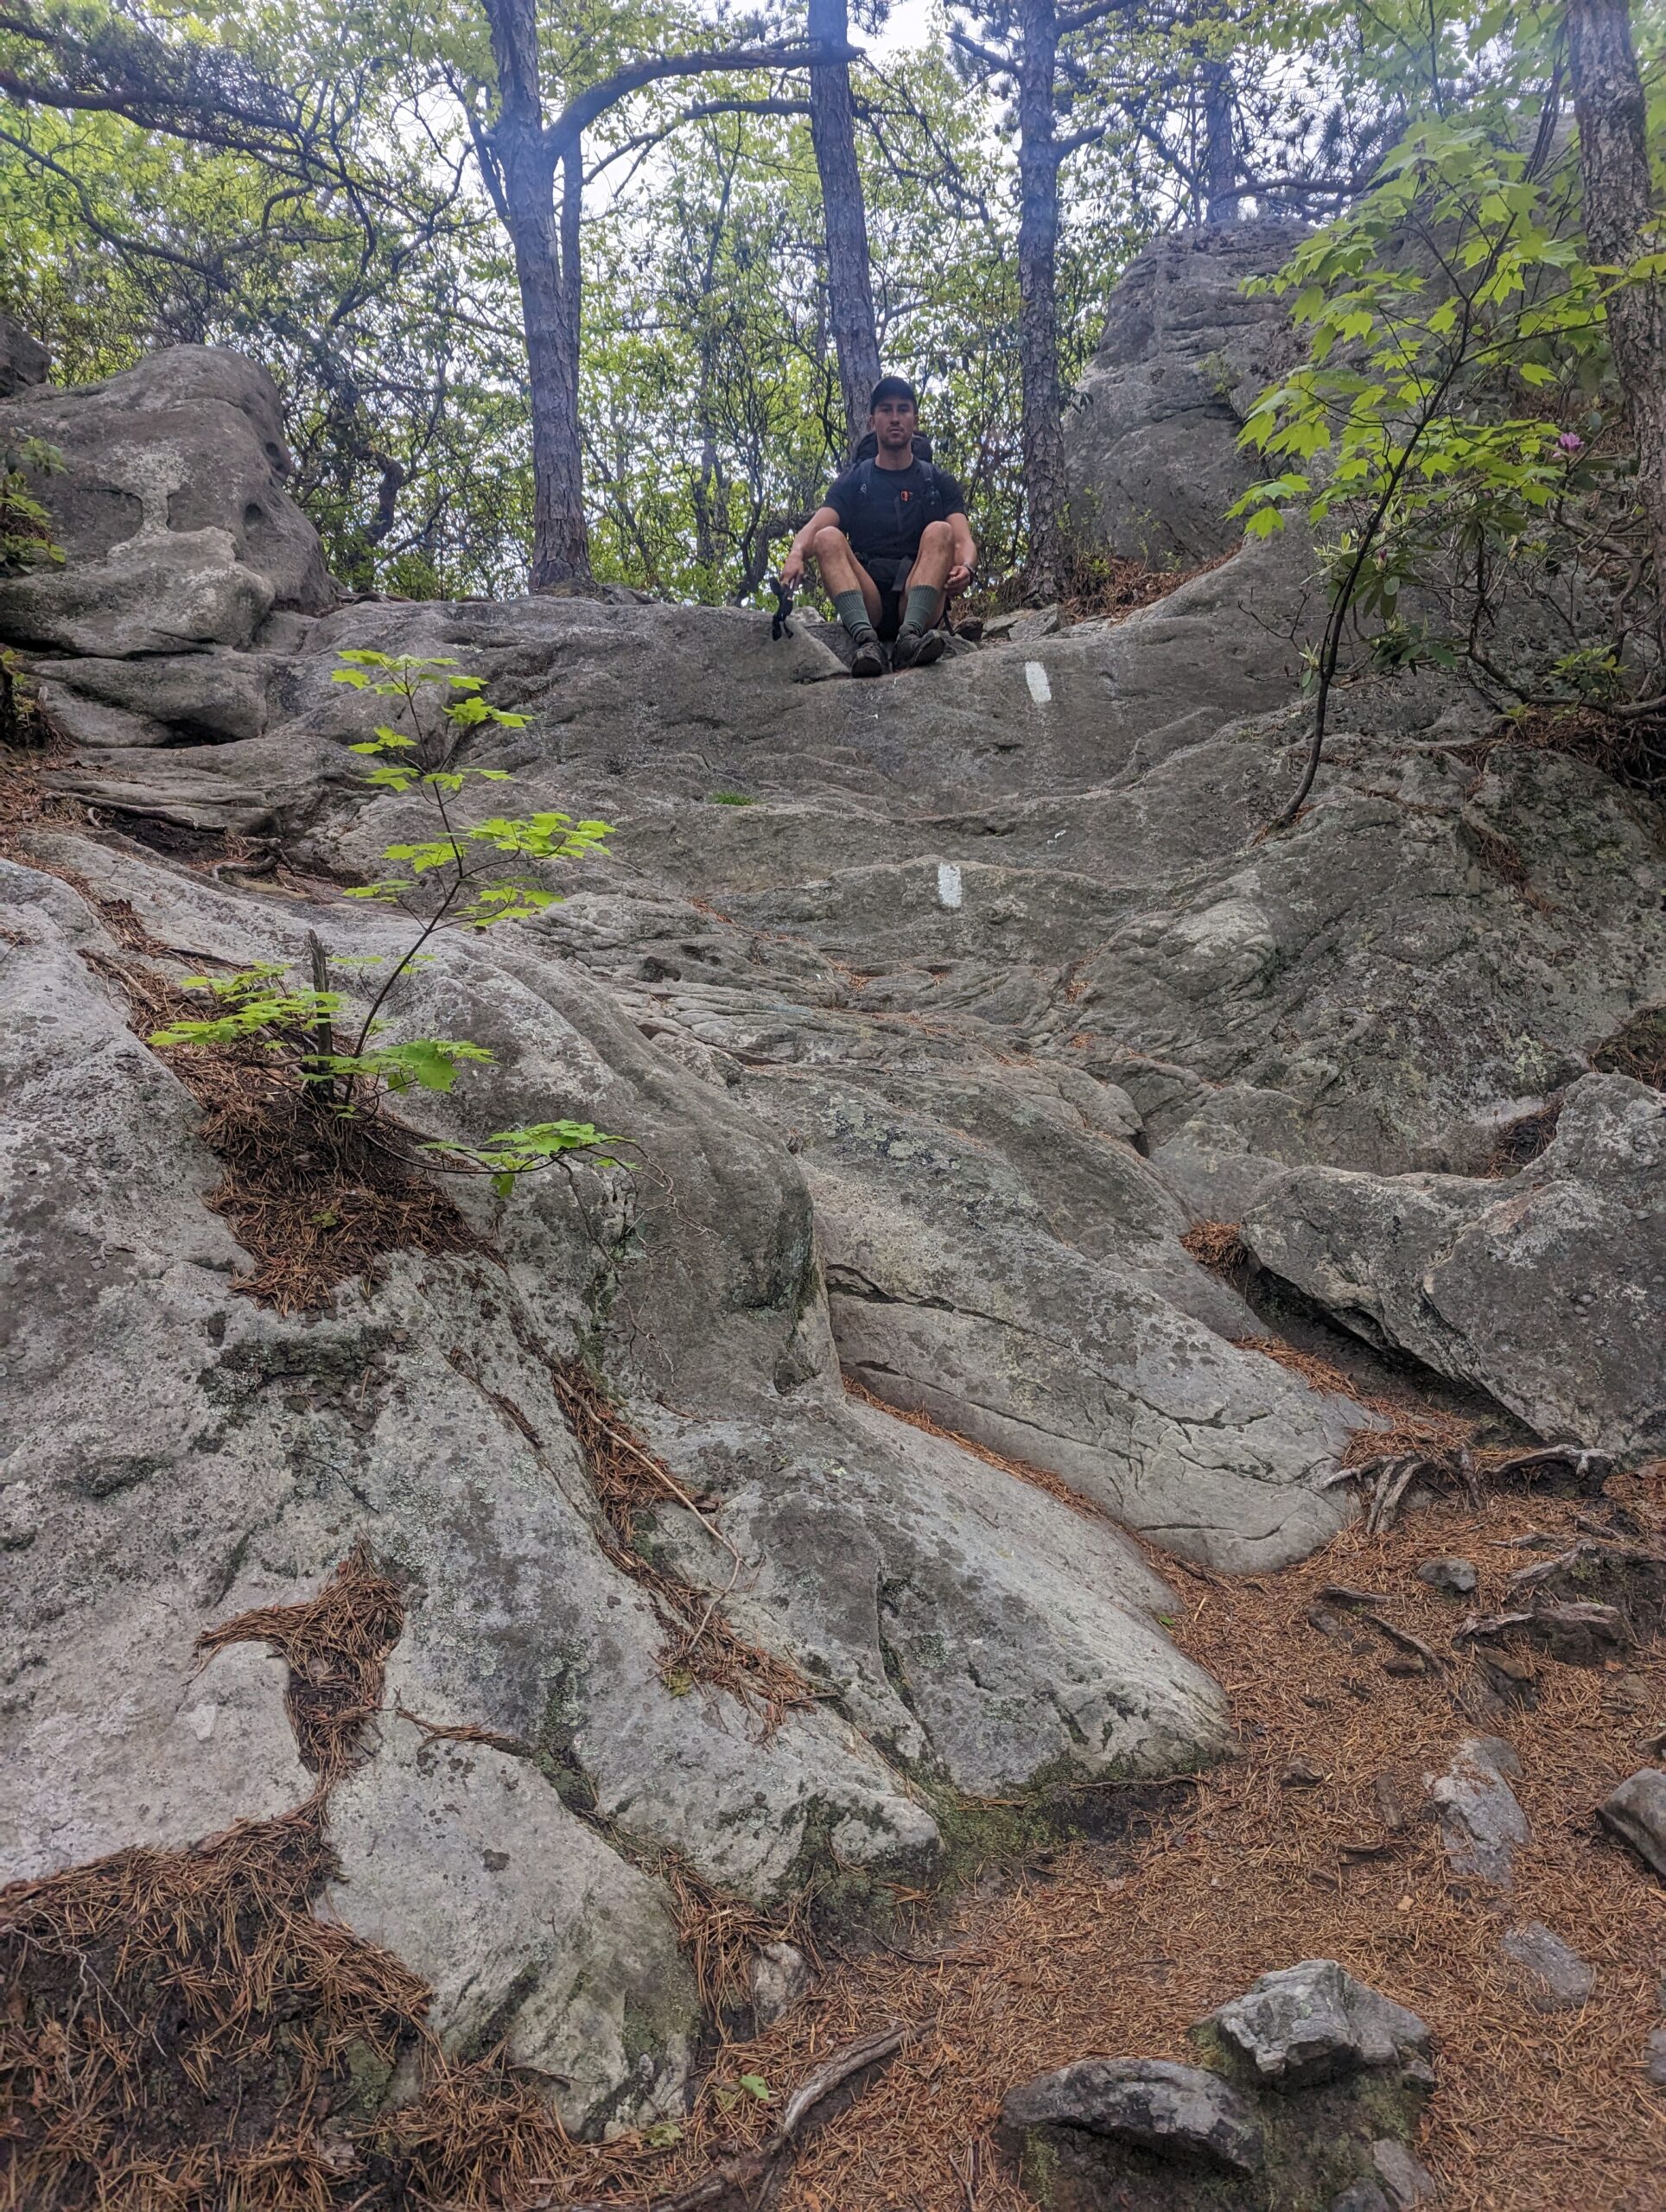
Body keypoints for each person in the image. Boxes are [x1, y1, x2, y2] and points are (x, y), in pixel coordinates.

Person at [781, 375, 977, 676]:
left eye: (903, 409)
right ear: (873, 421)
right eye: (886, 409)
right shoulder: (855, 480)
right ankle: (867, 643)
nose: (895, 418)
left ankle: (909, 641)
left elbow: (962, 540)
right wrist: (796, 554)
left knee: (941, 531)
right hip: (867, 601)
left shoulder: (936, 481)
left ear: (915, 420)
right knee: (827, 536)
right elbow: (815, 528)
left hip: (918, 597)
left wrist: (966, 568)